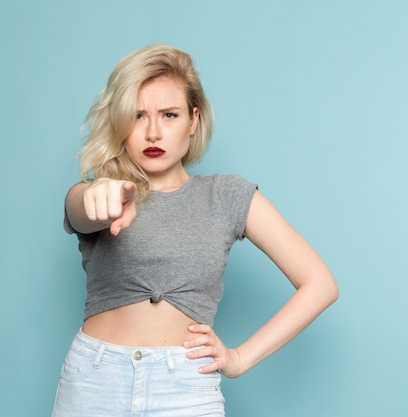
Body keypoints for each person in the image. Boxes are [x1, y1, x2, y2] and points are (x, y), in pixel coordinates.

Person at [52, 44, 338, 417]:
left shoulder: (227, 196)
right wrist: (98, 193)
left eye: (169, 115)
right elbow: (80, 211)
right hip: (94, 382)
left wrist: (238, 358)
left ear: (194, 119)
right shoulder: (96, 192)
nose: (153, 132)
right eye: (137, 116)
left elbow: (321, 285)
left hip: (184, 390)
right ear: (120, 124)